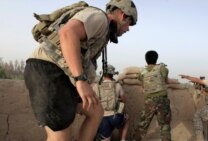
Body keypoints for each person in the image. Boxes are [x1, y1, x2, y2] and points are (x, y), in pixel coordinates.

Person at [23, 0, 138, 141]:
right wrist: (80, 80)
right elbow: (68, 33)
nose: (128, 28)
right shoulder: (100, 18)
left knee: (96, 112)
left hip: (63, 75)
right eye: (129, 23)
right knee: (60, 136)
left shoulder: (103, 29)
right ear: (122, 15)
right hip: (49, 70)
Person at [133, 50, 172, 141]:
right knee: (164, 126)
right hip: (162, 100)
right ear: (156, 59)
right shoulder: (162, 68)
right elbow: (166, 80)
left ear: (146, 60)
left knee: (143, 125)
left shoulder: (142, 72)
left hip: (149, 101)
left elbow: (142, 83)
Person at [92, 64, 129, 141]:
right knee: (126, 119)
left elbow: (94, 102)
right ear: (112, 74)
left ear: (102, 74)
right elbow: (124, 100)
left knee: (105, 138)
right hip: (116, 117)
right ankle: (122, 139)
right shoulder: (117, 85)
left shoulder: (96, 86)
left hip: (102, 118)